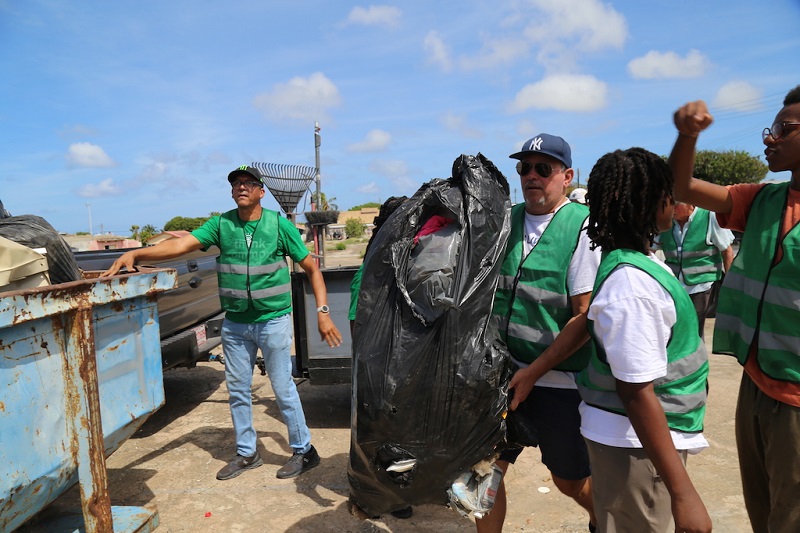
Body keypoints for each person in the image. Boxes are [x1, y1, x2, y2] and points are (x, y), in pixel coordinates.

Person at [102, 165, 342, 481]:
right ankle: (247, 453)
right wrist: (137, 254)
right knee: (238, 390)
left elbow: (312, 270)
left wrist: (322, 312)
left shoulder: (278, 226)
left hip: (272, 322)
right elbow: (180, 245)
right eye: (236, 183)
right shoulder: (221, 225)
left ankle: (303, 451)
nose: (241, 187)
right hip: (236, 325)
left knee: (283, 388)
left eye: (248, 183)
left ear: (261, 191)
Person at [669, 87, 800, 532]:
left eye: (784, 128)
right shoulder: (762, 200)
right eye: (772, 127)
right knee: (762, 513)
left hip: (797, 400)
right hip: (757, 383)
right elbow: (682, 187)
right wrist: (687, 137)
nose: (770, 137)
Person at [578, 147, 712, 533]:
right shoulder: (632, 286)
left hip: (639, 443)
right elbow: (636, 392)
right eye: (668, 194)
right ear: (651, 205)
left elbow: (584, 323)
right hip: (634, 448)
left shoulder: (641, 261)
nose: (675, 202)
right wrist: (683, 493)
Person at [483, 134, 599, 533]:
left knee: (568, 479)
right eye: (524, 168)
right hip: (500, 374)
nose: (531, 176)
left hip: (556, 382)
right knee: (483, 474)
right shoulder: (505, 221)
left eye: (543, 169)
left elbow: (583, 317)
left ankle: (605, 519)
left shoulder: (582, 229)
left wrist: (533, 373)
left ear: (566, 176)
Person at [658, 201, 734, 338]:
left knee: (694, 329)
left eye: (675, 204)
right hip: (673, 286)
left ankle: (697, 358)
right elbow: (649, 249)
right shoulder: (666, 221)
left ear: (690, 204)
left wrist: (730, 285)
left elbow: (727, 252)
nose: (671, 209)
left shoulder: (710, 217)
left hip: (701, 285)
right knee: (675, 330)